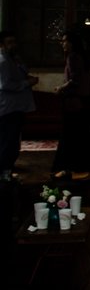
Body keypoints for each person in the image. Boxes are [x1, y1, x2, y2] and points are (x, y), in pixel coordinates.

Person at [52, 31, 90, 178]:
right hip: (83, 102)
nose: (62, 44)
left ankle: (67, 169)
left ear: (72, 43)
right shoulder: (82, 58)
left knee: (70, 137)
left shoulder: (73, 57)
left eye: (64, 41)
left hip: (75, 103)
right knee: (85, 137)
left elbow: (75, 80)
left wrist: (60, 88)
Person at [0, 31, 38, 182]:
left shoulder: (13, 60)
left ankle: (7, 170)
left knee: (13, 141)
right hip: (8, 108)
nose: (13, 45)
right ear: (2, 44)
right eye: (9, 42)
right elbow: (5, 84)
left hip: (17, 107)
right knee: (6, 142)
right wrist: (27, 83)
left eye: (14, 42)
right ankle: (3, 172)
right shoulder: (3, 61)